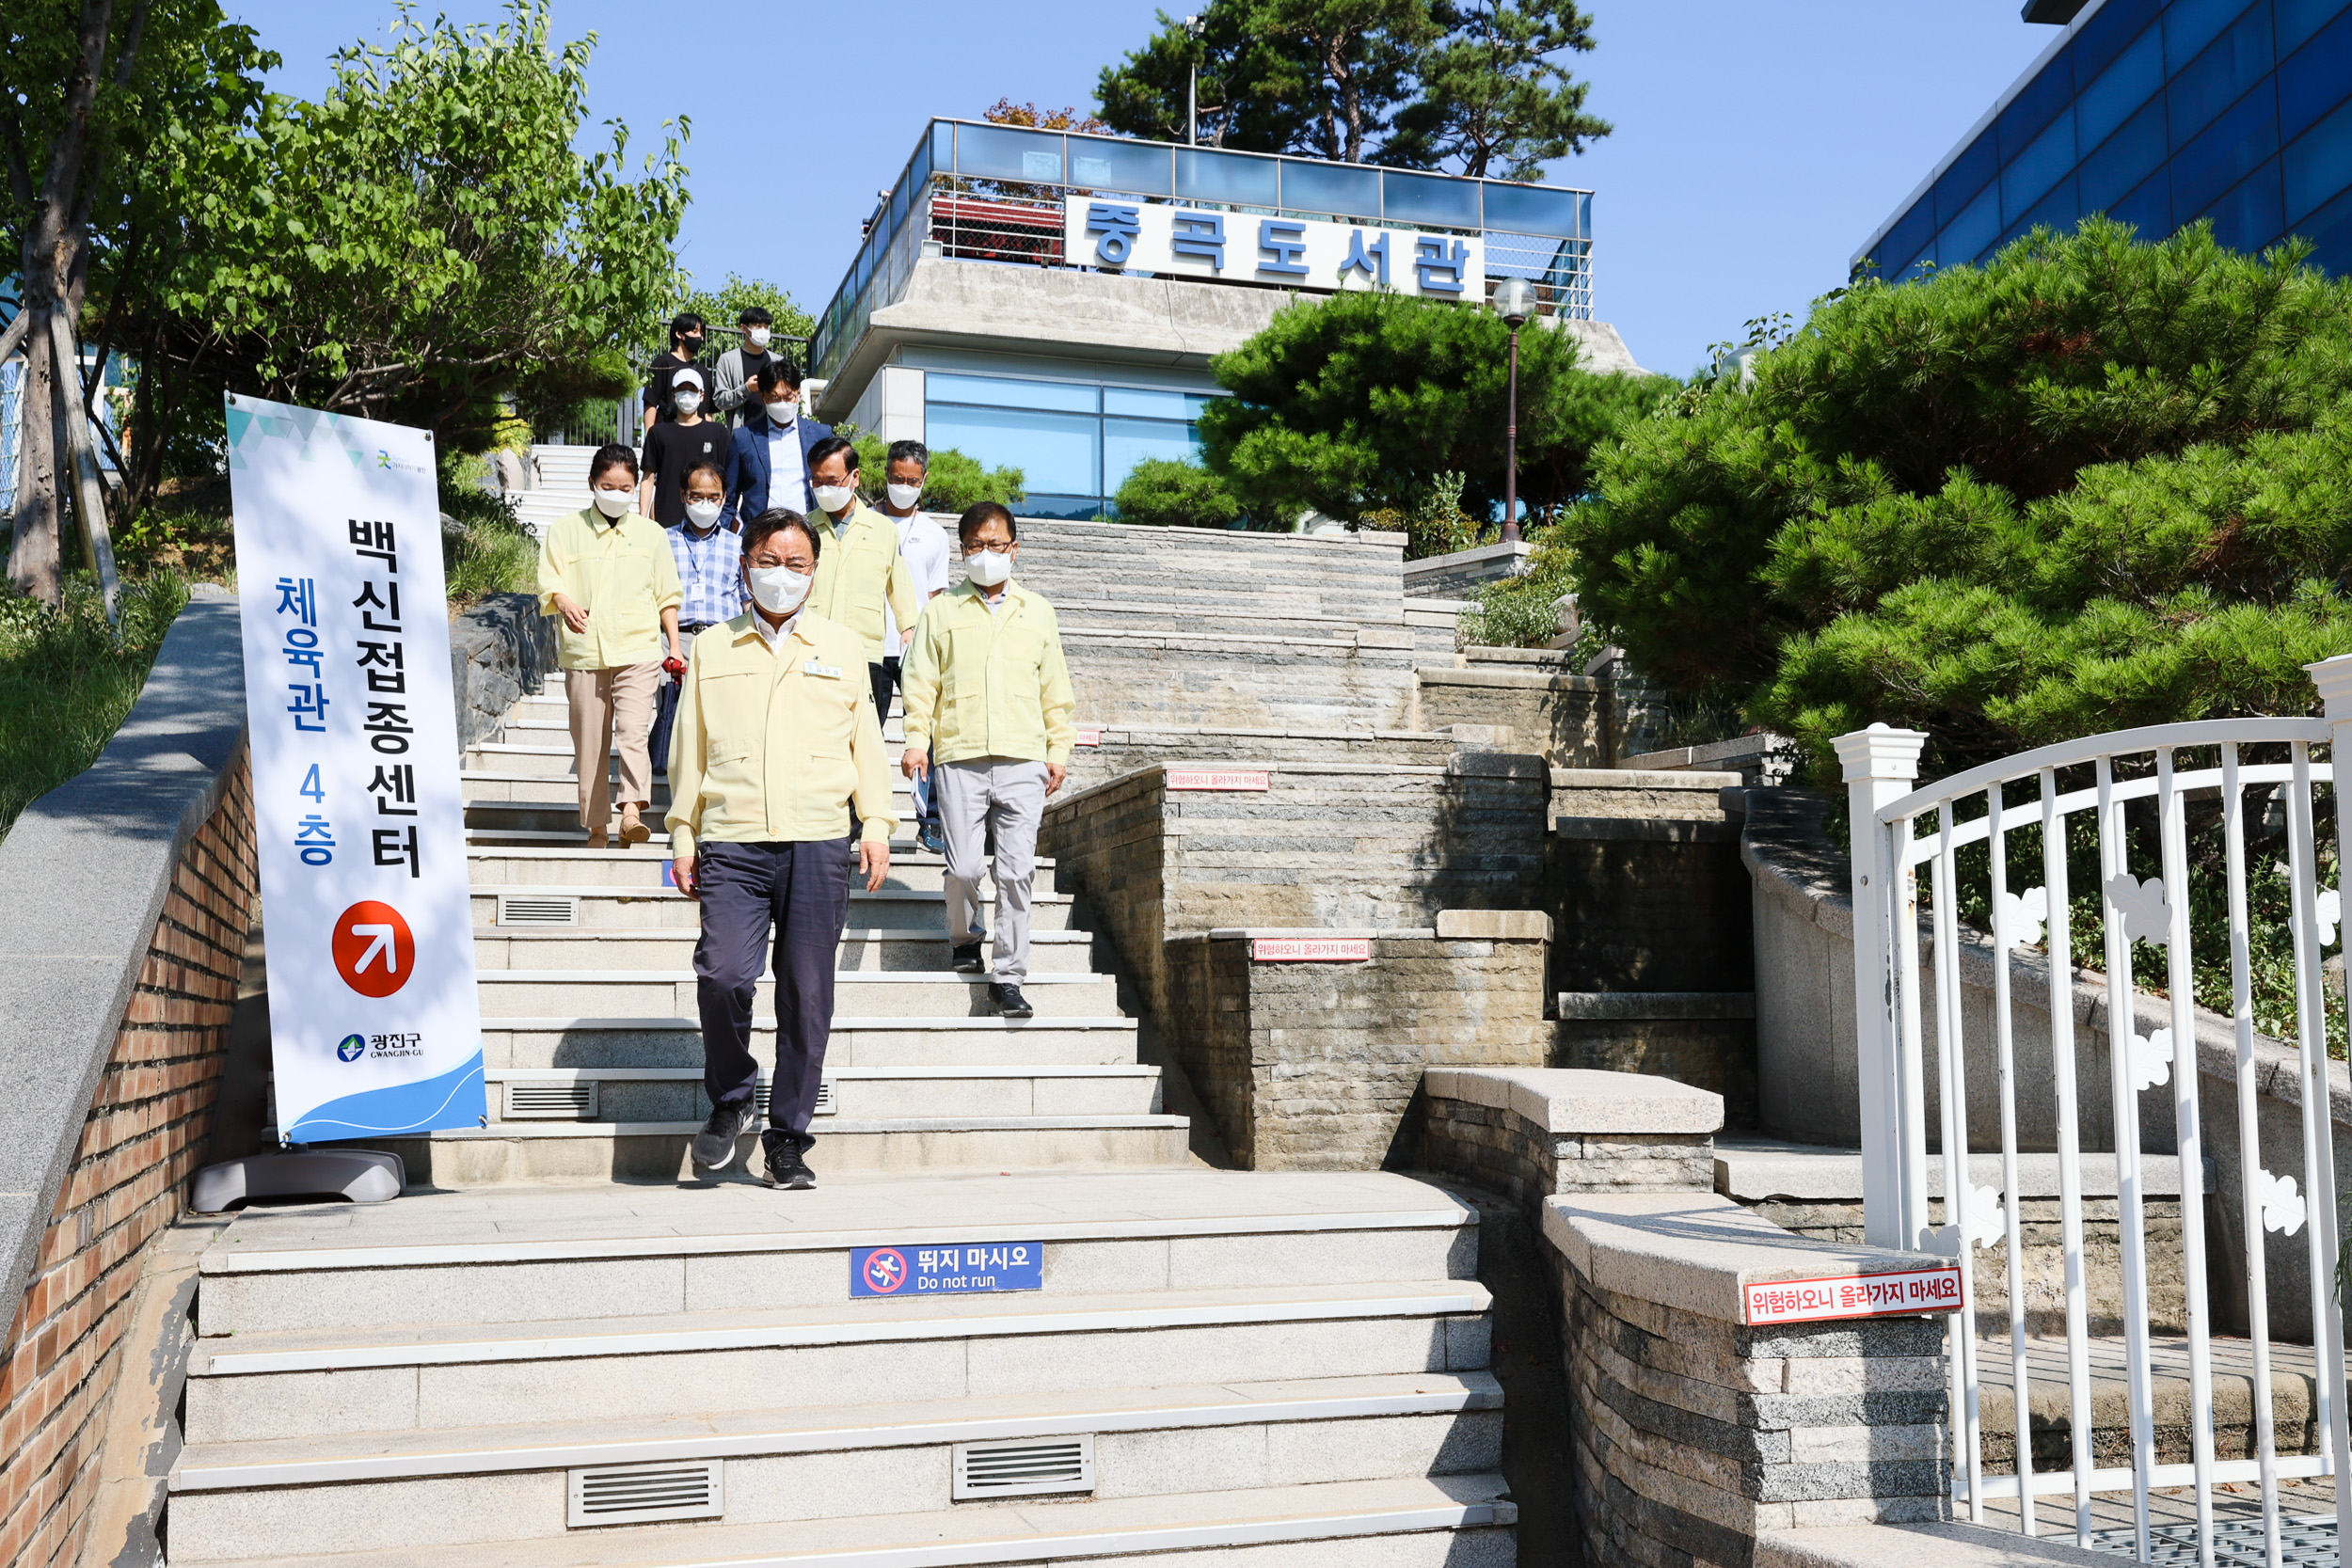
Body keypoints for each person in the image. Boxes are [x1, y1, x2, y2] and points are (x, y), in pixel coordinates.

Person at [667, 507, 898, 1189]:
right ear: (746, 565)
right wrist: (683, 831)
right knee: (724, 976)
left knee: (806, 994)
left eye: (797, 564)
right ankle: (734, 1097)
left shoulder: (843, 645)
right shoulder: (713, 647)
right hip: (733, 840)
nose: (782, 575)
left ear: (814, 573)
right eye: (770, 561)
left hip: (818, 842)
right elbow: (689, 748)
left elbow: (869, 746)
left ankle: (788, 1137)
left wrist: (876, 823)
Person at [899, 502, 1075, 1020]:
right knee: (964, 868)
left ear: (1014, 549)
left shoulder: (1038, 610)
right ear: (962, 551)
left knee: (1018, 872)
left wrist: (1058, 751)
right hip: (960, 754)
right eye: (976, 545)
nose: (986, 554)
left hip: (1024, 758)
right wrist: (916, 740)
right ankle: (963, 936)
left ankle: (1009, 976)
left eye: (996, 544)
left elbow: (1056, 691)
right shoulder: (941, 611)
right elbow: (920, 684)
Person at [538, 444, 684, 848]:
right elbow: (551, 581)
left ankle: (632, 812)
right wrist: (564, 602)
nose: (617, 493)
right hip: (585, 652)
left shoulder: (652, 535)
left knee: (633, 732)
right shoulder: (565, 531)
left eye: (625, 487)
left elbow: (666, 595)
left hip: (638, 649)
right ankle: (597, 826)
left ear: (636, 486)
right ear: (592, 484)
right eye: (608, 486)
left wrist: (674, 644)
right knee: (590, 742)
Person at [803, 436, 919, 733]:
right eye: (817, 482)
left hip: (864, 653)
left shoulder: (882, 529)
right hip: (811, 649)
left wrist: (908, 629)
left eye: (832, 480)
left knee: (864, 740)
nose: (824, 489)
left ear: (855, 477)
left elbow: (899, 585)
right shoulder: (804, 529)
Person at [875, 440, 955, 854]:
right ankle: (859, 819)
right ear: (885, 475)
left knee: (928, 736)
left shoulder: (934, 535)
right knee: (863, 735)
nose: (902, 486)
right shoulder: (866, 524)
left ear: (923, 481)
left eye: (911, 481)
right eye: (895, 478)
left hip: (918, 651)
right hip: (870, 646)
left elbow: (938, 598)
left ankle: (932, 821)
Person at [648, 459, 745, 777]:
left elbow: (746, 599)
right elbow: (657, 594)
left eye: (713, 497)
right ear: (682, 495)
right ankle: (672, 780)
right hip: (675, 639)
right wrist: (670, 644)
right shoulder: (663, 540)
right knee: (672, 713)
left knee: (723, 714)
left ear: (725, 496)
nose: (705, 503)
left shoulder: (739, 545)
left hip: (724, 639)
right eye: (697, 496)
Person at [724, 361, 833, 520]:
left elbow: (833, 486)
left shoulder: (821, 435)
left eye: (788, 396)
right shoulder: (744, 438)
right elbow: (729, 501)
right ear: (762, 396)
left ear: (798, 393)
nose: (782, 403)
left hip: (807, 529)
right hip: (760, 534)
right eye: (774, 398)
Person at [641, 368, 734, 530]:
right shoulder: (658, 432)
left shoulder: (718, 433)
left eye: (692, 390)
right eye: (681, 390)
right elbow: (648, 477)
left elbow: (729, 479)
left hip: (708, 518)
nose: (686, 394)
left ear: (702, 395)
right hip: (668, 520)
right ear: (673, 395)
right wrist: (642, 519)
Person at [710, 308, 784, 425]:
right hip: (742, 433)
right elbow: (720, 401)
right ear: (744, 328)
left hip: (773, 432)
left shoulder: (778, 361)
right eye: (758, 326)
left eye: (766, 326)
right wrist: (746, 389)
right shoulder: (727, 360)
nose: (763, 330)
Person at [642, 312, 707, 435]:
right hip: (667, 432)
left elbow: (707, 411)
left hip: (696, 436)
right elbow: (650, 403)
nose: (700, 337)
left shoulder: (702, 371)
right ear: (679, 334)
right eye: (694, 332)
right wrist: (650, 436)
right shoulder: (662, 363)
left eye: (702, 334)